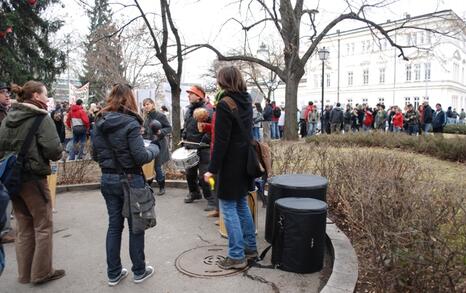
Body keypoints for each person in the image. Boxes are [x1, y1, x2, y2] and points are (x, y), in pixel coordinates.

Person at [92, 84, 159, 286]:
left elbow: (95, 155)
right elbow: (140, 156)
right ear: (129, 99)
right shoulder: (130, 123)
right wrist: (154, 148)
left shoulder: (98, 123)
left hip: (108, 178)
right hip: (131, 180)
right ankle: (139, 270)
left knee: (114, 226)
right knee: (135, 227)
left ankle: (113, 273)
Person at [0, 80, 64, 284]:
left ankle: (25, 274)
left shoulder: (9, 116)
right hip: (33, 178)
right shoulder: (40, 117)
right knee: (43, 225)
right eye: (45, 95)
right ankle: (42, 273)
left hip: (11, 179)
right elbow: (54, 150)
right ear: (36, 96)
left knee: (24, 225)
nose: (47, 99)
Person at [204, 66, 257, 270]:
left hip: (230, 164)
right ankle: (250, 248)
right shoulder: (246, 100)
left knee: (228, 208)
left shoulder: (225, 103)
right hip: (244, 162)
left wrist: (212, 168)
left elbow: (221, 142)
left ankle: (236, 255)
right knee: (242, 205)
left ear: (223, 81)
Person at [182, 85, 215, 211]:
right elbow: (186, 126)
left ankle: (212, 198)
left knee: (204, 175)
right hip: (190, 146)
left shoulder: (208, 110)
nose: (189, 95)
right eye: (189, 93)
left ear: (199, 95)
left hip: (204, 148)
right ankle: (194, 192)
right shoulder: (189, 110)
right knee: (190, 173)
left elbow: (212, 128)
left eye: (191, 93)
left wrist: (204, 140)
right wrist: (184, 137)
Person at [142, 98, 172, 195]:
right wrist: (142, 132)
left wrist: (161, 132)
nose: (146, 106)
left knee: (157, 166)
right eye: (145, 105)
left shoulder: (160, 115)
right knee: (148, 166)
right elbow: (146, 131)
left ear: (153, 105)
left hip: (159, 144)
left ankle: (162, 187)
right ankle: (149, 186)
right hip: (149, 144)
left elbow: (169, 128)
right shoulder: (146, 118)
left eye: (148, 104)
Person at [0, 81, 15, 245]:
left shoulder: (4, 111)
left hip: (4, 158)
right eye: (4, 92)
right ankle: (3, 231)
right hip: (2, 159)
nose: (7, 94)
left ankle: (4, 229)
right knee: (3, 195)